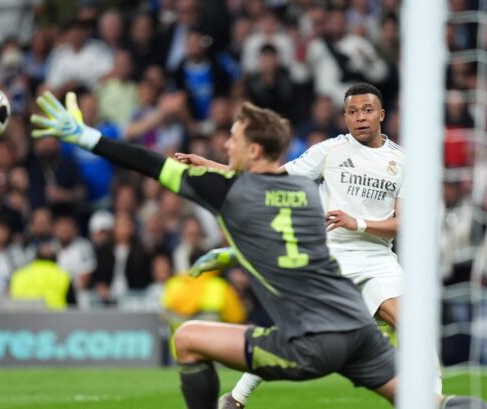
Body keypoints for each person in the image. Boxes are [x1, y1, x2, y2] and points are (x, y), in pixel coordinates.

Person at [30, 91, 487, 409]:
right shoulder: (308, 197)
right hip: (357, 333)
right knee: (429, 403)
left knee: (188, 338)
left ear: (252, 151)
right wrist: (235, 254)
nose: (226, 143)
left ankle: (230, 401)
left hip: (313, 342)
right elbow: (298, 247)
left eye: (232, 138)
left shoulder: (233, 192)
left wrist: (84, 136)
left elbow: (148, 163)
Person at [178, 83, 442, 406]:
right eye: (352, 112)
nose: (360, 117)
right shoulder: (329, 151)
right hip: (330, 257)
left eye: (367, 110)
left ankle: (436, 401)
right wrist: (212, 166)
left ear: (381, 114)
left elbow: (406, 222)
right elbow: (270, 178)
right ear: (344, 117)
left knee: (416, 329)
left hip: (377, 260)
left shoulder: (402, 161)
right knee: (295, 329)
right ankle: (234, 399)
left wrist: (356, 222)